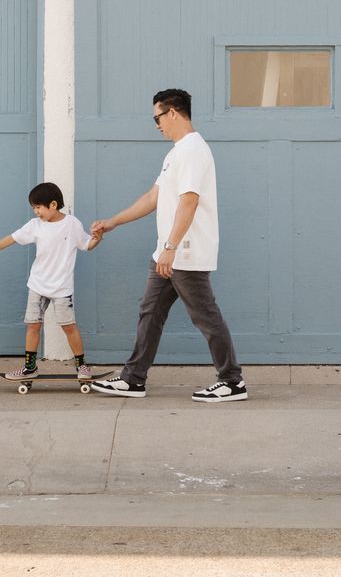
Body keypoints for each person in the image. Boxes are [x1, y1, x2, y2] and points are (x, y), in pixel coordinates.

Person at [87, 87, 246, 401]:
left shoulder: (192, 150)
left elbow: (189, 201)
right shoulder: (176, 153)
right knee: (150, 313)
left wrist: (172, 247)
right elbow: (152, 198)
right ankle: (133, 379)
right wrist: (113, 222)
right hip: (167, 254)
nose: (157, 124)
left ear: (173, 112)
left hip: (184, 254)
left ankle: (232, 381)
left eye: (157, 117)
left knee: (206, 317)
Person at [0, 181, 100, 381]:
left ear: (53, 205)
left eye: (38, 207)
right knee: (33, 325)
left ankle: (82, 367)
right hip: (37, 285)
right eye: (34, 208)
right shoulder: (35, 226)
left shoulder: (72, 224)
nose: (36, 212)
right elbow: (10, 239)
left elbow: (87, 244)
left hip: (61, 287)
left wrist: (98, 237)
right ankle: (30, 367)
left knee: (69, 326)